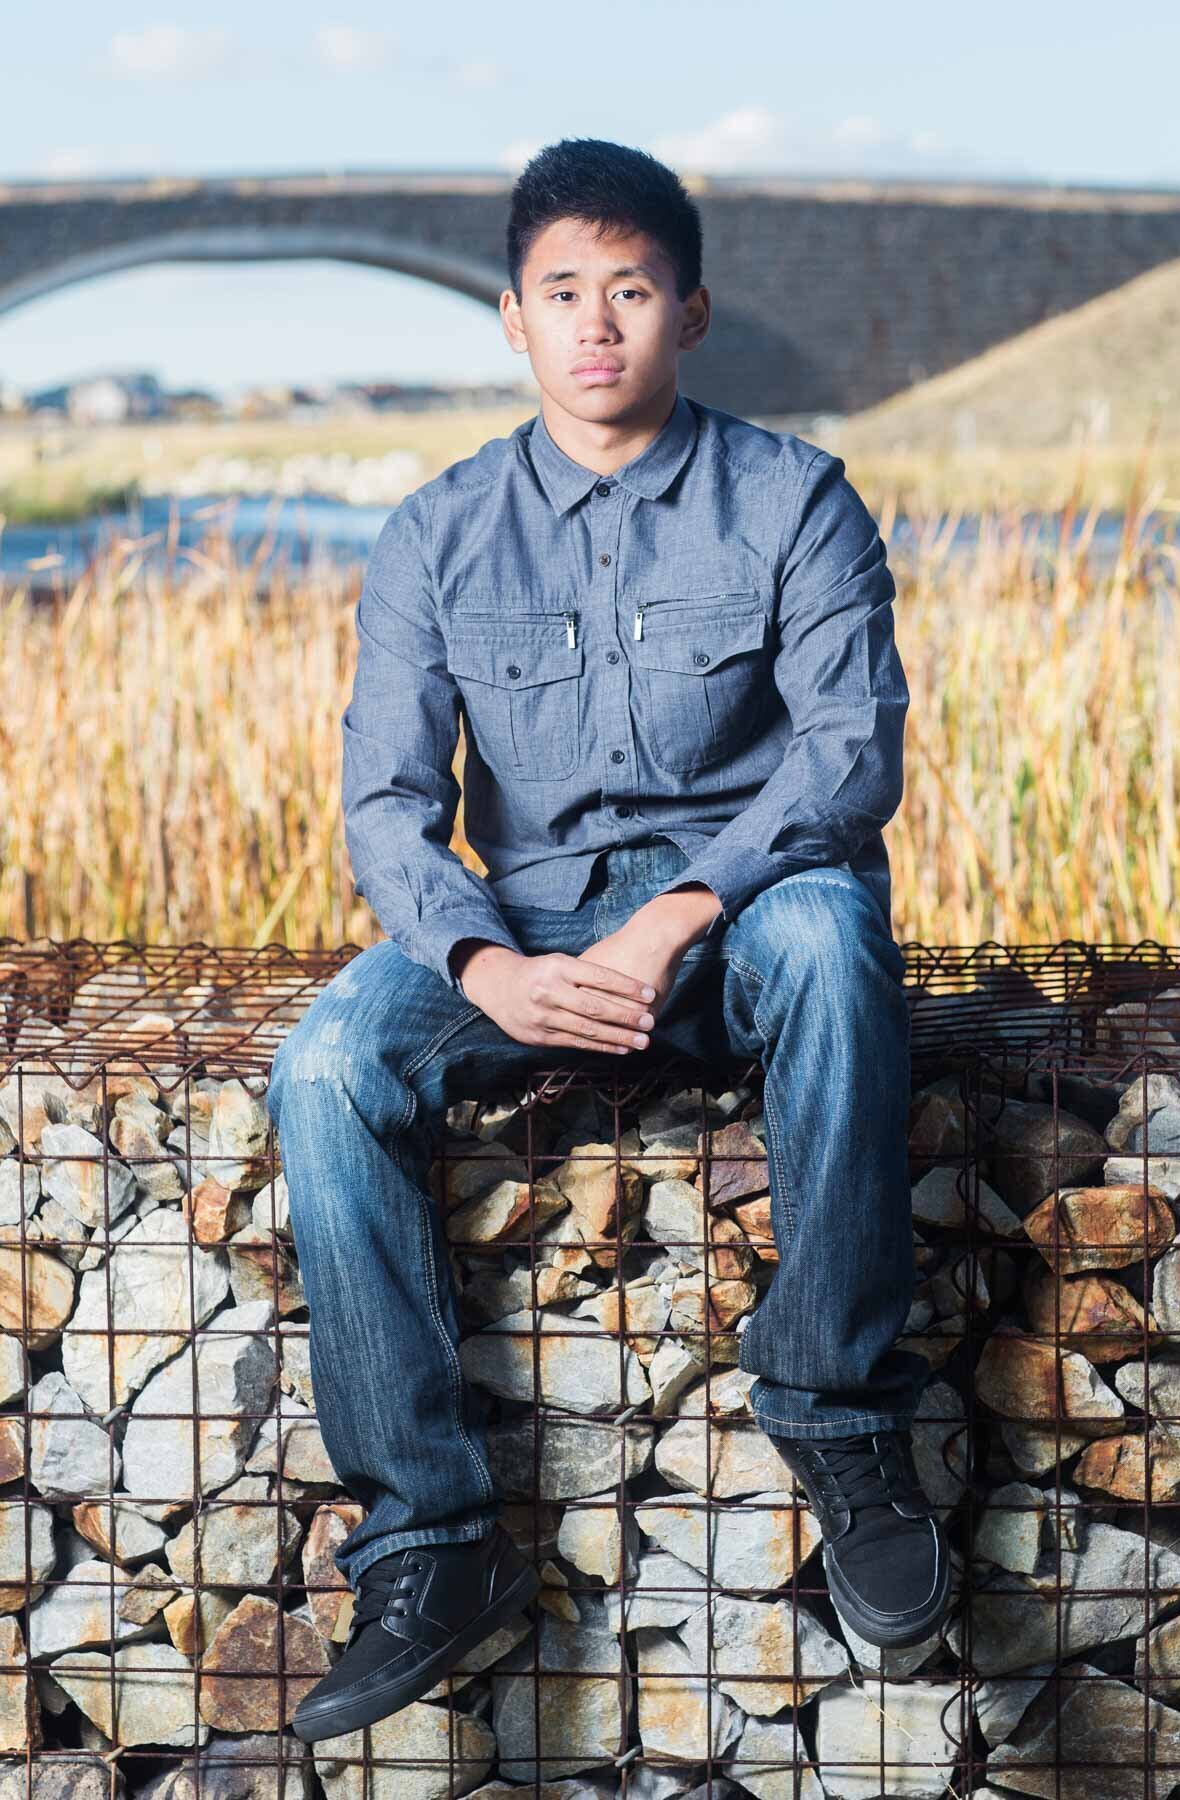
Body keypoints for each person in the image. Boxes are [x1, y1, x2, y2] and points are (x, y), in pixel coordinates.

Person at [267, 135, 951, 1748]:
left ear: (690, 314)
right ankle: (431, 1546)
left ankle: (838, 1416)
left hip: (744, 900)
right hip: (532, 934)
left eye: (630, 291)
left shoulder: (794, 498)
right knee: (329, 1060)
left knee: (842, 948)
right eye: (563, 294)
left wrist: (678, 913)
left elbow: (851, 759)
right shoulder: (438, 533)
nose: (597, 325)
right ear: (511, 318)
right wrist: (487, 966)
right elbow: (385, 808)